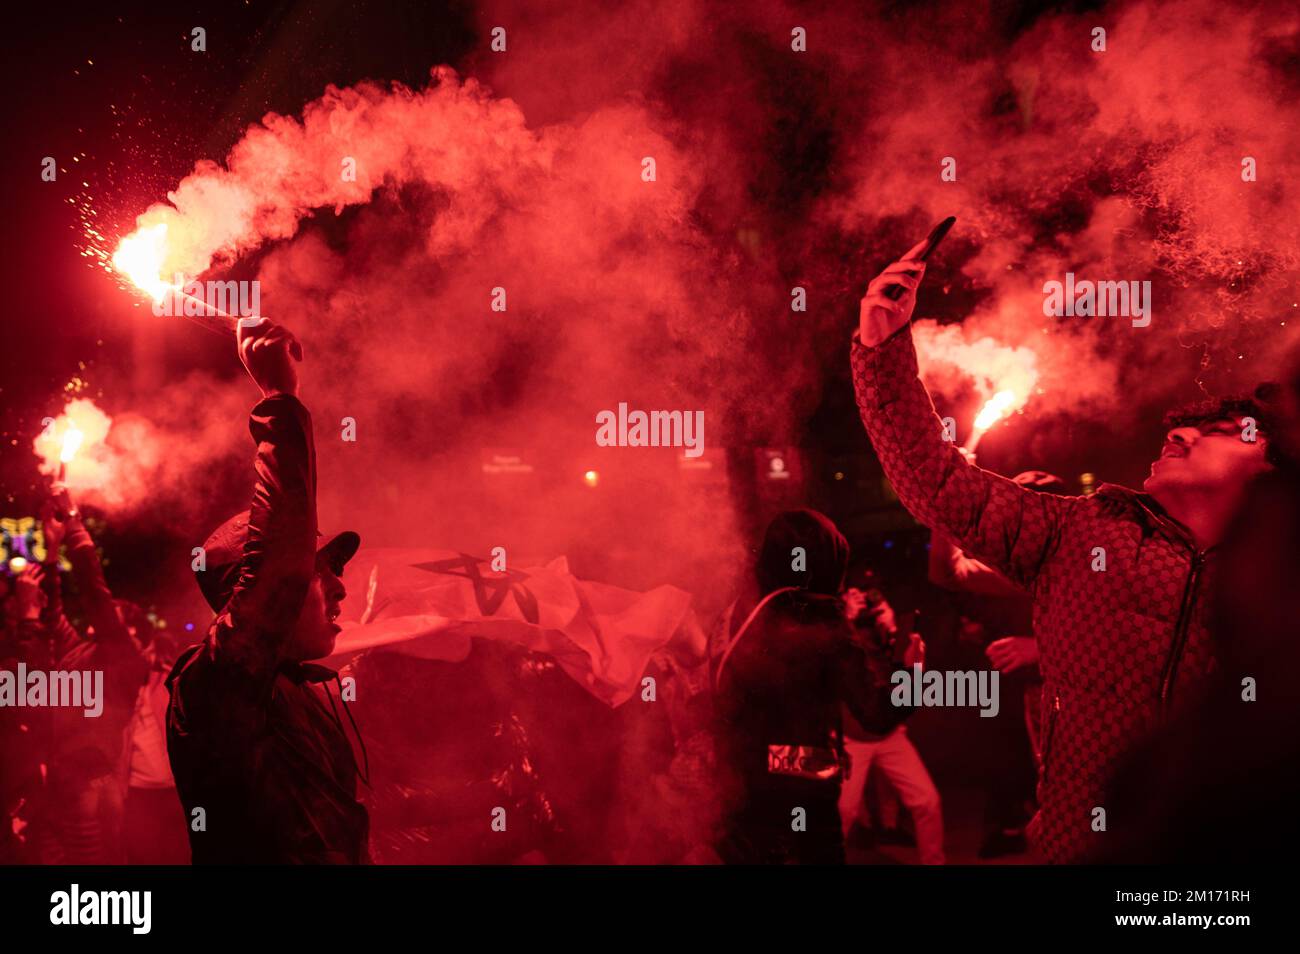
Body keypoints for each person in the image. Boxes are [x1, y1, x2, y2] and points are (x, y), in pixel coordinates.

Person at [851, 237, 1280, 863]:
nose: (1179, 430)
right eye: (1186, 422)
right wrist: (882, 349)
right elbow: (937, 483)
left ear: (1275, 469)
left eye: (1221, 431)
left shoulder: (1281, 581)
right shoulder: (1082, 531)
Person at [165, 317, 369, 864]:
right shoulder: (212, 688)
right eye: (319, 573)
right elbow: (278, 566)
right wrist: (279, 401)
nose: (340, 589)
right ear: (251, 595)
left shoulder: (299, 692)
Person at [713, 509, 909, 864]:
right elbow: (877, 714)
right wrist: (914, 672)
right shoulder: (823, 624)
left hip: (737, 786)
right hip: (801, 793)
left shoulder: (737, 614)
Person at [928, 467, 1065, 858]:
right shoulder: (1020, 570)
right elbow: (947, 572)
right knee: (1053, 793)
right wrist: (946, 500)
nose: (1013, 520)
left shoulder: (1088, 560)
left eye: (1024, 508)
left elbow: (1118, 628)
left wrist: (1038, 647)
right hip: (1039, 698)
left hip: (1093, 701)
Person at [836, 581, 940, 864]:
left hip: (889, 735)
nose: (862, 601)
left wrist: (891, 624)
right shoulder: (840, 634)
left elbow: (901, 680)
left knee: (927, 802)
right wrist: (845, 616)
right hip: (853, 739)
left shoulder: (882, 634)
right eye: (853, 596)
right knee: (844, 812)